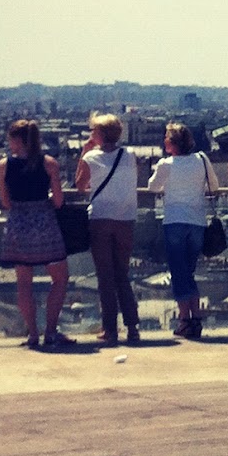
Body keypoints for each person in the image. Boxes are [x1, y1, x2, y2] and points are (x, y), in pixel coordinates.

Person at [0, 118, 71, 349]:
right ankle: (50, 331)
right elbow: (59, 201)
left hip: (19, 225)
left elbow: (6, 202)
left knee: (24, 284)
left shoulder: (4, 165)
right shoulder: (49, 164)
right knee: (59, 278)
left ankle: (32, 335)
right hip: (44, 224)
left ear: (17, 140)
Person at [75, 112, 140, 346]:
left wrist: (85, 151)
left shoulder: (91, 157)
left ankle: (110, 329)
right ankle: (132, 326)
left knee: (105, 276)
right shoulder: (130, 154)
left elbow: (80, 185)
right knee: (122, 274)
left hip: (101, 219)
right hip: (126, 219)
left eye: (93, 130)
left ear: (100, 134)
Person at [149, 122, 219, 339]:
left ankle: (186, 320)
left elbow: (152, 187)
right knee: (187, 272)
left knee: (179, 273)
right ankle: (194, 318)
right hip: (198, 221)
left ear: (172, 143)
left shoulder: (166, 164)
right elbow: (214, 187)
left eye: (166, 138)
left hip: (174, 222)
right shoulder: (202, 160)